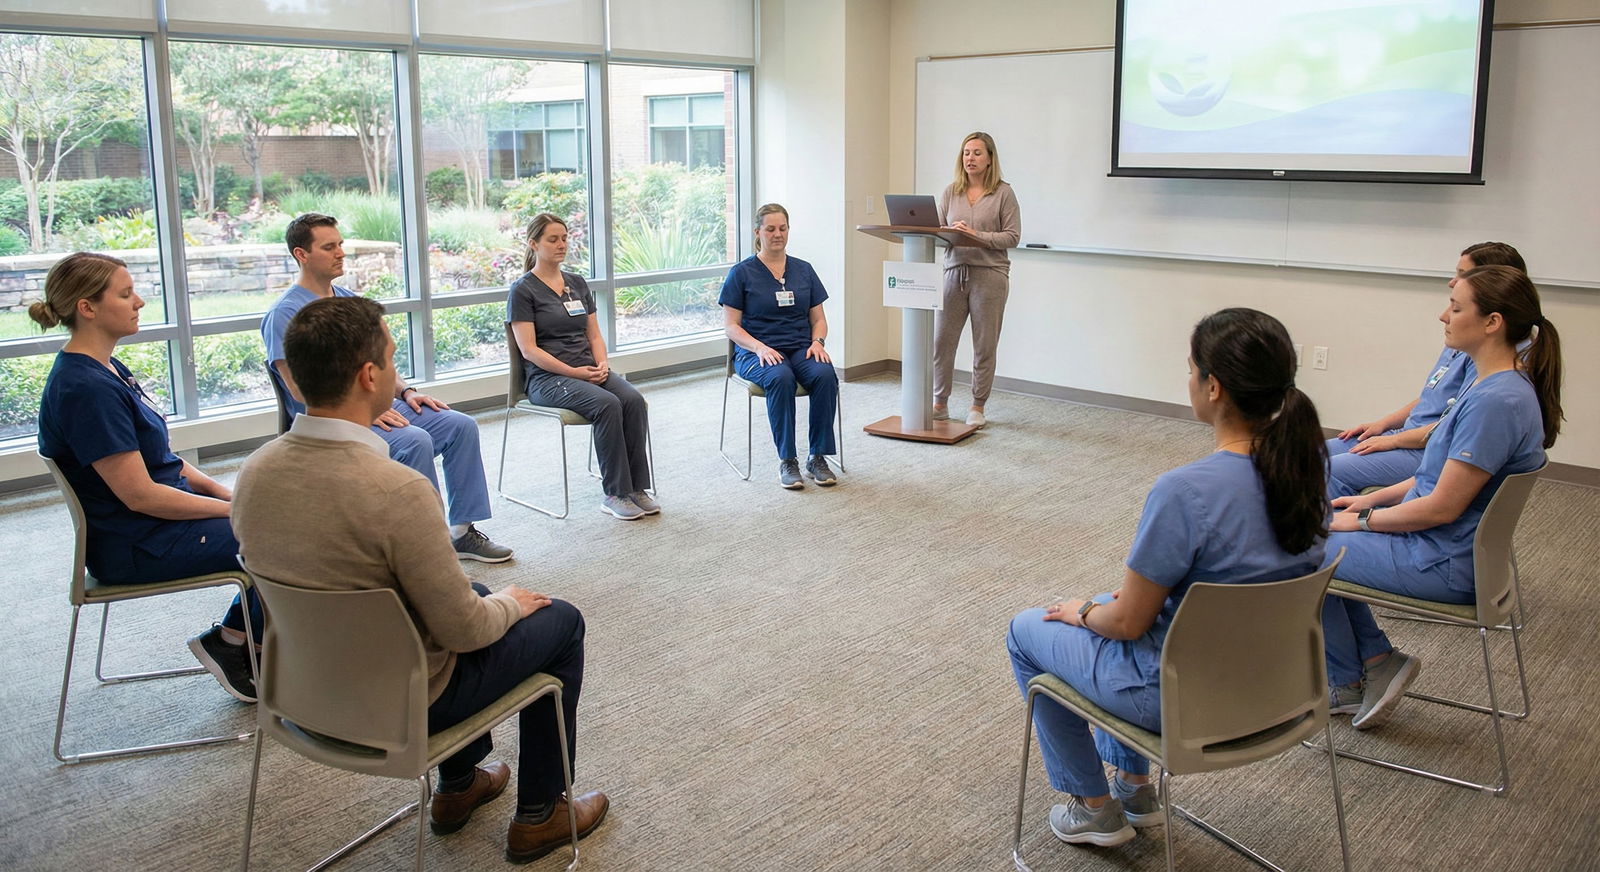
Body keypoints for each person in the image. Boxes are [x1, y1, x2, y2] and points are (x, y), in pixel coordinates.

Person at [233, 296, 608, 862]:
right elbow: (464, 630)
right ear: (368, 376)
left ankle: (460, 786)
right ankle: (543, 813)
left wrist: (488, 599)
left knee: (476, 590)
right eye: (391, 355)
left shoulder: (254, 472)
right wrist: (511, 602)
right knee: (558, 620)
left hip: (305, 691)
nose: (395, 366)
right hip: (402, 702)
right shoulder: (397, 490)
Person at [1007, 308, 1327, 848]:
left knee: (1028, 631)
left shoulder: (1184, 491)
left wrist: (1083, 612)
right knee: (1114, 602)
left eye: (1191, 369)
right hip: (1281, 689)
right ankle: (1135, 788)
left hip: (1182, 701)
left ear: (1214, 387)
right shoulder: (1309, 470)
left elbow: (1129, 623)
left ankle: (1096, 807)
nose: (1189, 381)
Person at [1322, 265, 1561, 730]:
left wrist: (1364, 522)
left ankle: (1355, 676)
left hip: (1441, 558)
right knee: (1314, 532)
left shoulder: (1496, 401)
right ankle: (1370, 664)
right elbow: (1434, 478)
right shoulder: (1494, 386)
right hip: (1445, 547)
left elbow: (1442, 506)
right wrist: (1369, 503)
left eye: (1455, 307)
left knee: (1297, 549)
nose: (1442, 315)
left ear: (1492, 322)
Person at [33, 252, 262, 703]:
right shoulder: (87, 390)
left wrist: (226, 494)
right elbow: (141, 496)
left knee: (277, 523)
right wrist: (236, 511)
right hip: (137, 542)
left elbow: (164, 461)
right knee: (283, 537)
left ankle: (247, 642)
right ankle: (237, 644)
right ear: (87, 308)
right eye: (125, 293)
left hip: (154, 527)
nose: (139, 302)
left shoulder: (108, 369)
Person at [261, 212, 511, 562]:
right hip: (333, 419)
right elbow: (298, 390)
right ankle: (428, 545)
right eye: (329, 247)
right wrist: (358, 411)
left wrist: (407, 392)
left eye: (341, 245)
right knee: (414, 440)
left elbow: (380, 363)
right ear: (301, 254)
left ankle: (461, 533)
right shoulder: (284, 314)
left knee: (458, 425)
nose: (340, 253)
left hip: (373, 406)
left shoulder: (349, 301)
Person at [1327, 242, 1527, 496]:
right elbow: (1432, 397)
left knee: (1325, 469)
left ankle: (1324, 528)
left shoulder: (1492, 366)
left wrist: (1391, 441)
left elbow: (1449, 428)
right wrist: (1383, 425)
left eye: (1463, 275)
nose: (1453, 282)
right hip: (1410, 436)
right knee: (1311, 455)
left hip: (1427, 448)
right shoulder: (1462, 337)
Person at [507, 213, 656, 521]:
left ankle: (636, 487)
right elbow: (529, 350)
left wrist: (602, 363)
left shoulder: (576, 283)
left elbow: (594, 333)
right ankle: (615, 493)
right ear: (533, 244)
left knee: (633, 401)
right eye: (553, 239)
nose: (561, 245)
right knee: (607, 404)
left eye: (564, 238)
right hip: (547, 379)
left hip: (588, 369)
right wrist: (575, 373)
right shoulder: (523, 290)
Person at [719, 203, 840, 490]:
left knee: (824, 374)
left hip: (800, 347)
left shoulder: (803, 270)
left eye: (782, 228)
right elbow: (731, 326)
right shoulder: (742, 273)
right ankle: (788, 460)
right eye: (770, 229)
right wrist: (759, 348)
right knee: (781, 377)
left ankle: (817, 456)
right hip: (756, 351)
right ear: (758, 232)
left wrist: (818, 342)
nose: (777, 234)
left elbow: (819, 318)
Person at [932, 131, 1021, 429]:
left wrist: (974, 235)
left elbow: (1012, 236)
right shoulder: (950, 192)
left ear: (990, 158)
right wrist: (947, 234)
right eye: (966, 152)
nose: (970, 158)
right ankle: (939, 402)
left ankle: (977, 405)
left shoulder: (1003, 193)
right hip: (953, 273)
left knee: (984, 345)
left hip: (990, 276)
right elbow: (939, 235)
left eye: (977, 153)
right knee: (942, 342)